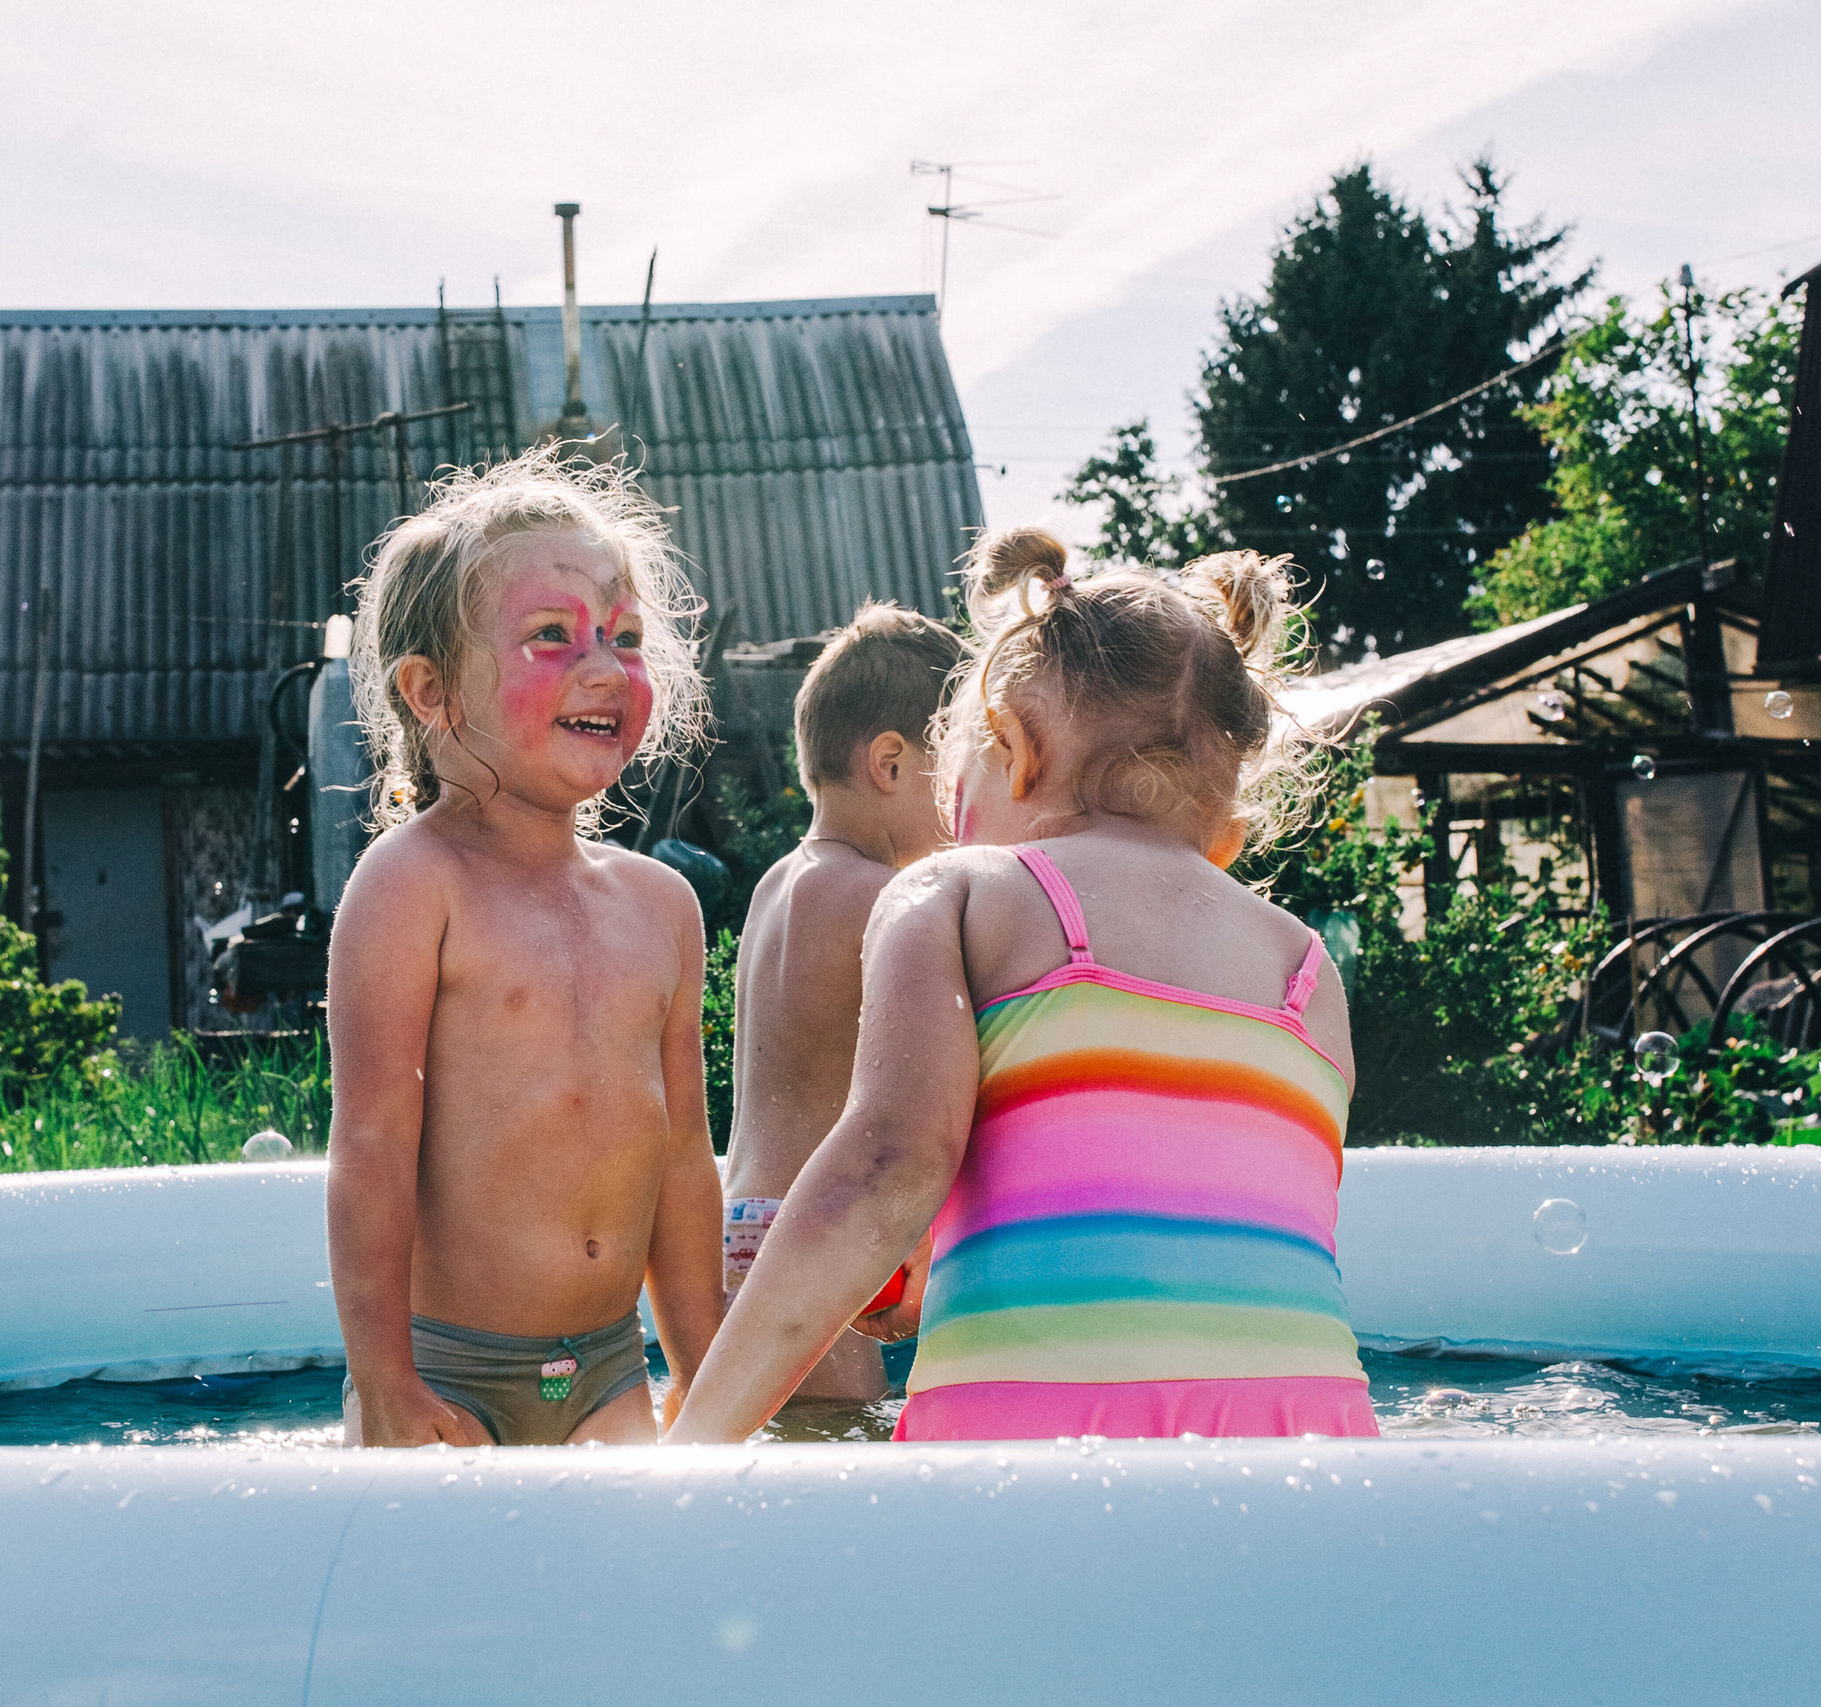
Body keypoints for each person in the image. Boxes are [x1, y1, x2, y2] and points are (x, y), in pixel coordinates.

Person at [668, 526, 1379, 1443]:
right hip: (1310, 1445)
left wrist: (690, 1445)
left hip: (1032, 1442)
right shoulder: (1307, 970)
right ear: (1225, 828)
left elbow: (888, 1166)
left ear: (1011, 746)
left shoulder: (960, 893)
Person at [325, 448, 725, 1447]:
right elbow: (370, 1147)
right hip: (442, 1375)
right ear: (430, 691)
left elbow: (679, 1160)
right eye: (553, 635)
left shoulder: (660, 905)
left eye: (624, 637)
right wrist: (384, 1384)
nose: (604, 666)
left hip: (606, 1369)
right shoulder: (414, 884)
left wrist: (714, 1387)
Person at [722, 602, 963, 1400]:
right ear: (890, 763)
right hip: (815, 1229)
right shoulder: (887, 896)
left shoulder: (776, 886)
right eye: (957, 772)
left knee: (778, 1436)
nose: (966, 809)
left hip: (742, 1221)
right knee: (837, 1438)